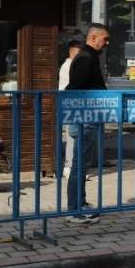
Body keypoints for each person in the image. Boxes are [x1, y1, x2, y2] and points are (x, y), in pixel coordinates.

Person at [65, 24, 110, 224]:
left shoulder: (88, 56)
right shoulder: (85, 58)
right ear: (93, 38)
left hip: (88, 118)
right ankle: (74, 210)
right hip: (85, 119)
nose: (106, 43)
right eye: (104, 39)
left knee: (82, 164)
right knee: (79, 165)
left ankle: (80, 204)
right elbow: (75, 89)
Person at [58, 40, 82, 180]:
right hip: (71, 103)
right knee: (72, 136)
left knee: (74, 136)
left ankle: (72, 166)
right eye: (79, 52)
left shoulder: (70, 65)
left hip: (72, 103)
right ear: (72, 51)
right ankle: (69, 166)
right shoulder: (69, 66)